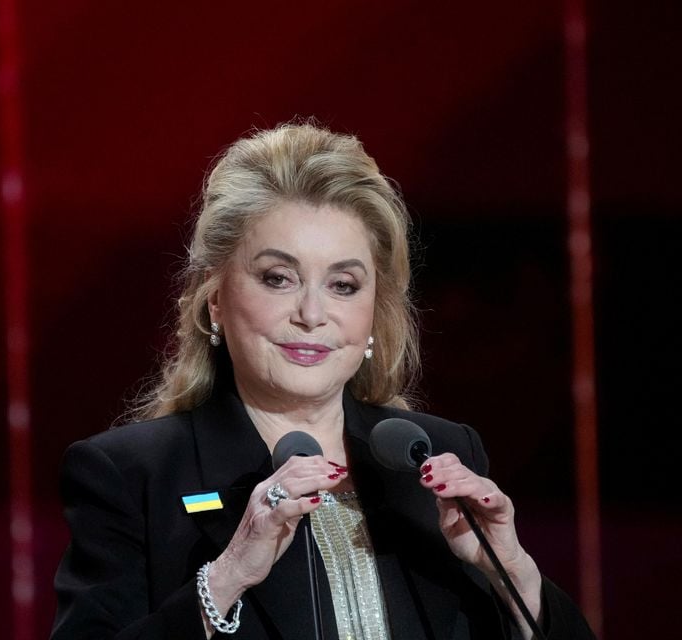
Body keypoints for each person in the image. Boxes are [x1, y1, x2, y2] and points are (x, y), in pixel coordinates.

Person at [50, 122, 595, 639]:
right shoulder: (131, 476)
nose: (312, 314)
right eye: (278, 278)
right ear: (214, 299)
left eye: (343, 284)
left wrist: (511, 571)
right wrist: (229, 574)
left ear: (373, 314)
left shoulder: (441, 458)